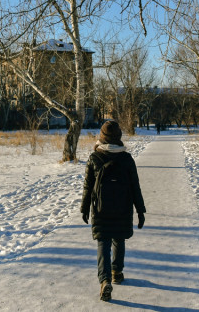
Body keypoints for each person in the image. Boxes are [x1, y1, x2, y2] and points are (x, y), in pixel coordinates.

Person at [80, 120, 146, 302]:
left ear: (101, 137)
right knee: (119, 238)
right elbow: (135, 187)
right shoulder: (126, 159)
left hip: (100, 210)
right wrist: (140, 211)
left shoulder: (95, 158)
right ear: (118, 137)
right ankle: (117, 272)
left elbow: (87, 187)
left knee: (103, 242)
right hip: (123, 208)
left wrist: (84, 208)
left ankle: (105, 280)